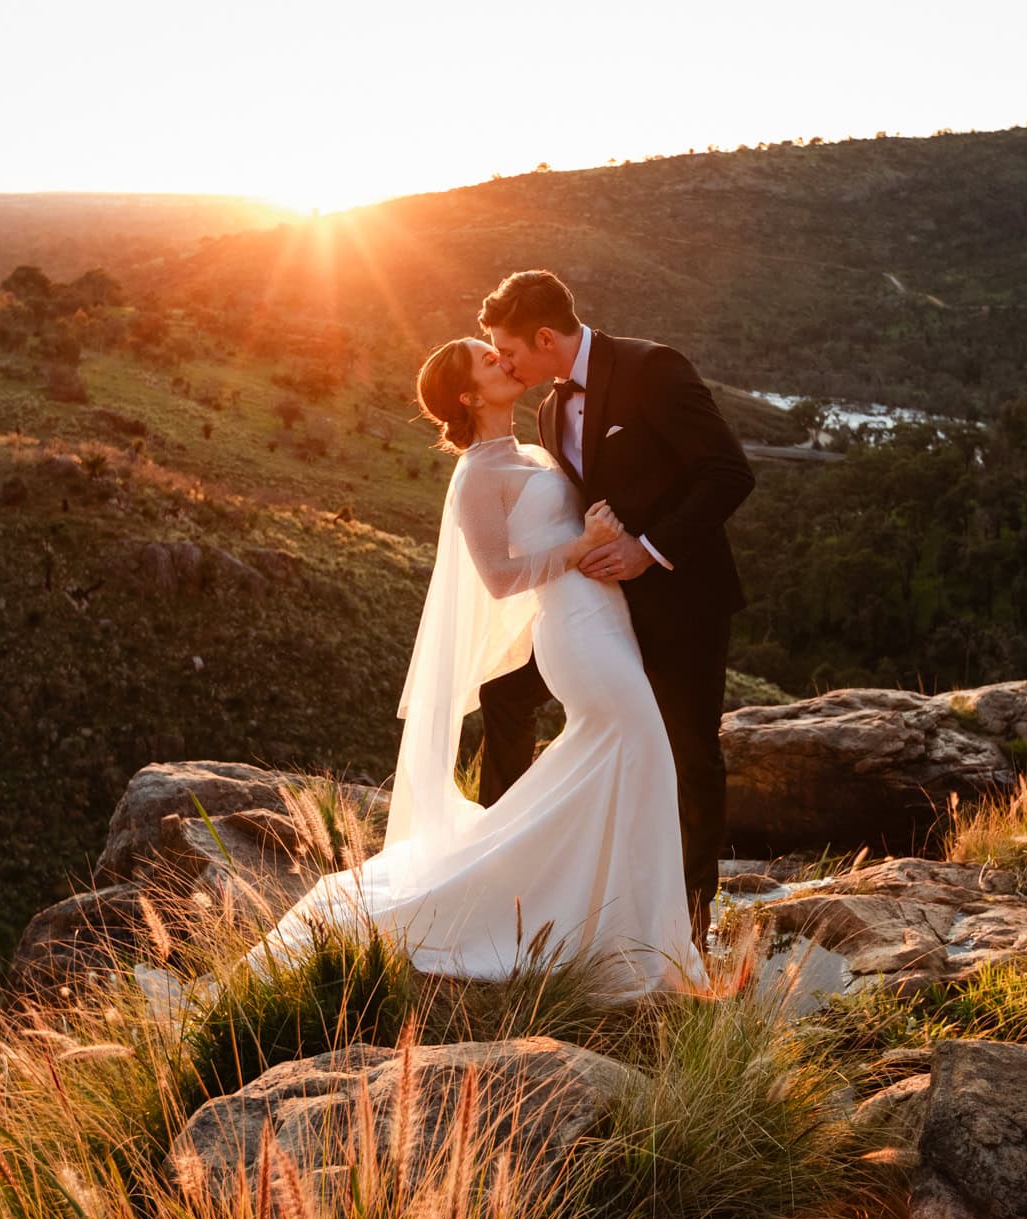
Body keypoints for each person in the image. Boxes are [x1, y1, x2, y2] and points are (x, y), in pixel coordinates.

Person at [234, 335, 707, 998]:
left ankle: (611, 936)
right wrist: (583, 546)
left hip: (609, 621)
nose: (503, 361)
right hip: (573, 631)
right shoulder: (476, 476)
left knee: (627, 761)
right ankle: (636, 949)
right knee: (642, 751)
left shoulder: (533, 450)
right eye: (489, 361)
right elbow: (500, 578)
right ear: (467, 395)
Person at [475, 271, 756, 944]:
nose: (502, 363)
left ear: (545, 337)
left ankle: (690, 910)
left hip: (679, 598)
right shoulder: (546, 411)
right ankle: (497, 862)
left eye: (509, 351)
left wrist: (647, 549)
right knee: (505, 697)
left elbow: (728, 472)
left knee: (690, 748)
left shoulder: (653, 368)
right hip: (595, 614)